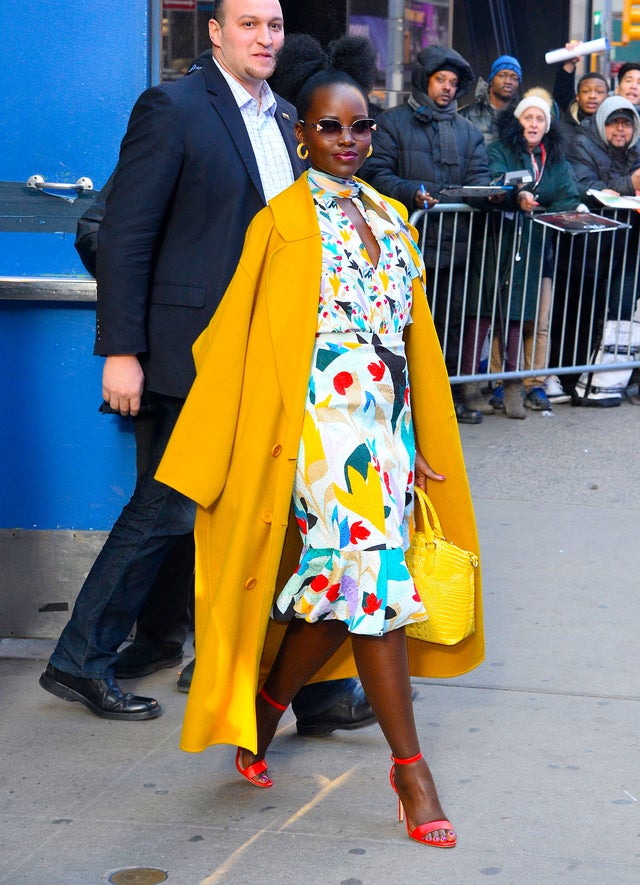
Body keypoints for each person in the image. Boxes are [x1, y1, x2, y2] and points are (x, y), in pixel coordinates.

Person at [156, 33, 483, 847]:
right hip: (319, 429)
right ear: (302, 134)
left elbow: (411, 344)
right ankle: (412, 772)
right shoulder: (284, 221)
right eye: (330, 128)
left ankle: (266, 706)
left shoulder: (389, 213)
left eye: (360, 127)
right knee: (371, 580)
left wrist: (415, 439)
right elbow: (237, 338)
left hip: (382, 423)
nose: (347, 141)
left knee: (342, 589)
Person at [39, 0, 374, 734]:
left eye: (275, 26)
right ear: (215, 32)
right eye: (249, 24)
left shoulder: (290, 116)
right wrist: (120, 353)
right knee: (167, 509)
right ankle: (80, 655)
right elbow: (123, 235)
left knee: (286, 516)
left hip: (271, 356)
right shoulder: (172, 107)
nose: (265, 37)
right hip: (189, 356)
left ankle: (308, 690)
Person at [360, 45, 491, 425]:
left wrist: (495, 195)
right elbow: (376, 174)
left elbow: (478, 181)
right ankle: (402, 404)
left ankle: (443, 404)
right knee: (403, 329)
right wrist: (411, 191)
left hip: (457, 251)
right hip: (406, 250)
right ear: (425, 80)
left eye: (453, 83)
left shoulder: (469, 132)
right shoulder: (392, 121)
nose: (448, 88)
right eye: (440, 80)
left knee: (449, 328)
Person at [462, 96, 580, 418]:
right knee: (482, 309)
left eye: (540, 119)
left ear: (547, 126)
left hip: (532, 242)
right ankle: (470, 384)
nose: (533, 124)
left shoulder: (553, 158)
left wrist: (541, 212)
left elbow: (569, 194)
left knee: (518, 312)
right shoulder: (501, 149)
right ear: (518, 121)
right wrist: (517, 196)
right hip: (497, 237)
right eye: (528, 117)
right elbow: (495, 179)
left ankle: (513, 383)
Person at [565, 95, 640, 406]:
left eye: (626, 124)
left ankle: (603, 382)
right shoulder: (582, 143)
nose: (620, 130)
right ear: (601, 123)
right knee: (584, 314)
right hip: (590, 247)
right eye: (614, 123)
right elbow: (585, 186)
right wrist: (629, 182)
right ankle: (573, 379)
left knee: (618, 314)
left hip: (626, 246)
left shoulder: (635, 149)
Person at [460, 54, 522, 145]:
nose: (508, 81)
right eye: (502, 75)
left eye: (514, 78)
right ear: (491, 80)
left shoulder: (522, 117)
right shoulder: (466, 115)